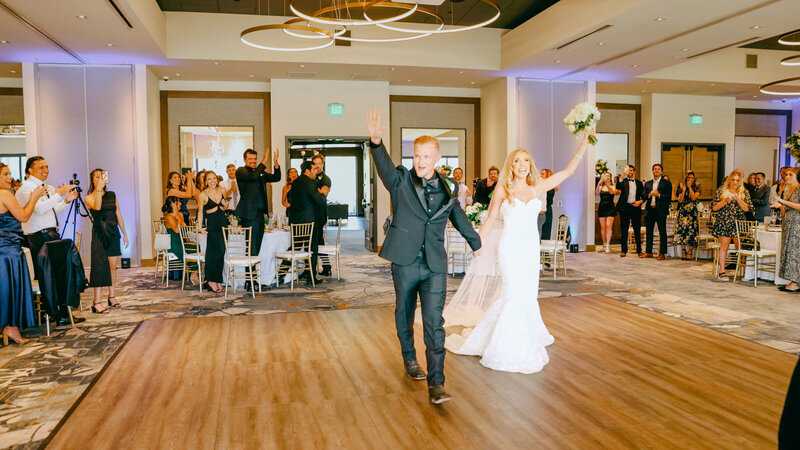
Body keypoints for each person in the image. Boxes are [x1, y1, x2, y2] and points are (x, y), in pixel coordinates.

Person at [445, 131, 592, 375]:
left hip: (530, 250)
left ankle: (526, 332)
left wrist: (583, 145)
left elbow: (567, 173)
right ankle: (508, 346)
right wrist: (477, 244)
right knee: (512, 294)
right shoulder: (503, 190)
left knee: (527, 294)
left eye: (525, 161)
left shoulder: (537, 189)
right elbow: (491, 219)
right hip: (510, 248)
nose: (521, 165)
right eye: (517, 161)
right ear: (511, 166)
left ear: (530, 165)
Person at [367, 108, 481, 405]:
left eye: (426, 157)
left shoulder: (448, 187)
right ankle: (410, 359)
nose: (420, 161)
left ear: (437, 159)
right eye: (416, 156)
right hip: (404, 261)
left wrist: (477, 244)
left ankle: (437, 384)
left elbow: (459, 218)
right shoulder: (401, 180)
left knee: (434, 323)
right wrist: (377, 143)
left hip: (434, 265)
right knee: (404, 314)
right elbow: (385, 169)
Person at [0, 162, 46, 345]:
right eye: (4, 174)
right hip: (8, 252)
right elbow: (24, 216)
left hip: (5, 250)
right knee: (10, 290)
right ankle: (11, 328)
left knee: (5, 291)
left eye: (9, 173)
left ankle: (10, 328)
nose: (9, 177)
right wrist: (34, 197)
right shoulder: (4, 194)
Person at [235, 148, 281, 291]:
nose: (253, 161)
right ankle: (251, 281)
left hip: (259, 214)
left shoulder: (259, 172)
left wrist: (276, 164)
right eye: (250, 159)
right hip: (249, 215)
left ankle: (251, 281)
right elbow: (252, 177)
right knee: (252, 248)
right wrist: (263, 162)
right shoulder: (241, 171)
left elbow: (276, 178)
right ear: (245, 160)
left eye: (255, 159)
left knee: (255, 248)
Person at [85, 169, 129, 313]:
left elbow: (118, 214)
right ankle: (96, 301)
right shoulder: (89, 197)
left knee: (112, 266)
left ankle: (112, 296)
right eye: (97, 177)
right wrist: (98, 190)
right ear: (92, 180)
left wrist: (124, 233)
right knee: (100, 266)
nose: (100, 179)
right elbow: (97, 207)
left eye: (101, 176)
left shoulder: (112, 195)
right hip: (100, 233)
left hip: (113, 232)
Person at [288, 161, 327, 285]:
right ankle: (311, 278)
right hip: (309, 222)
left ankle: (281, 273)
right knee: (312, 249)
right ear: (307, 171)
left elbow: (290, 198)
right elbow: (319, 201)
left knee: (295, 247)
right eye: (314, 169)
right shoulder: (310, 183)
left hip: (296, 221)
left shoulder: (295, 182)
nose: (316, 172)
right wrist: (323, 193)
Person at [711, 169, 753, 281]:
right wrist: (725, 201)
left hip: (739, 223)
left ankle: (744, 272)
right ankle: (722, 271)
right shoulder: (721, 190)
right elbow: (714, 207)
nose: (735, 182)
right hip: (724, 222)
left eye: (737, 180)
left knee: (741, 247)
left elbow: (747, 209)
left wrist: (738, 199)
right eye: (733, 180)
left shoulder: (744, 192)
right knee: (723, 247)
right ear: (729, 180)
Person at [197, 171, 228, 293]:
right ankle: (210, 280)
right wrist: (200, 227)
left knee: (221, 254)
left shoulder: (222, 190)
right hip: (212, 225)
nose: (212, 181)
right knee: (212, 254)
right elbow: (200, 212)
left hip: (223, 223)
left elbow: (225, 207)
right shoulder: (203, 194)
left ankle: (218, 279)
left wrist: (225, 205)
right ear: (205, 181)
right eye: (209, 179)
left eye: (214, 178)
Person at [770, 167, 800, 292]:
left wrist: (783, 202)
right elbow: (785, 208)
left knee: (795, 252)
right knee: (789, 251)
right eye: (786, 174)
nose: (786, 177)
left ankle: (796, 282)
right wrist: (780, 205)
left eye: (790, 175)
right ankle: (793, 280)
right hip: (788, 223)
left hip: (797, 224)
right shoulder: (788, 189)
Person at [641, 163, 672, 260]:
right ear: (652, 171)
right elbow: (643, 196)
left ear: (661, 171)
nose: (656, 170)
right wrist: (650, 194)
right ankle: (648, 252)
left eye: (658, 169)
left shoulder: (666, 183)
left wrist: (658, 195)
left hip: (660, 210)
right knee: (649, 231)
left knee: (662, 232)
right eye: (655, 169)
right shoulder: (648, 183)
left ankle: (662, 253)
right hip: (650, 210)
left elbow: (668, 197)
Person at [615, 165, 644, 257]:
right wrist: (622, 175)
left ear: (634, 172)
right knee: (624, 230)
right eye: (628, 170)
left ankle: (639, 250)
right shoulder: (623, 181)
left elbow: (643, 195)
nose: (630, 172)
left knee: (637, 229)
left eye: (631, 170)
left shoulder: (639, 183)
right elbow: (618, 186)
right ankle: (624, 250)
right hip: (625, 207)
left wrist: (640, 202)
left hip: (635, 207)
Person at [312, 154, 332, 277]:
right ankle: (322, 267)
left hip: (319, 214)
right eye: (315, 164)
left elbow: (320, 195)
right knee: (313, 243)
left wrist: (314, 192)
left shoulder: (326, 179)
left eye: (320, 163)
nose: (318, 166)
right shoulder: (311, 177)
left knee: (319, 242)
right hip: (310, 213)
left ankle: (325, 267)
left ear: (323, 164)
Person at [675, 171, 700, 260]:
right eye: (688, 178)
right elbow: (680, 200)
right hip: (683, 212)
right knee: (682, 231)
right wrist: (684, 190)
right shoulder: (681, 186)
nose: (690, 179)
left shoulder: (697, 187)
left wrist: (689, 188)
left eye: (692, 178)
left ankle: (690, 251)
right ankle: (683, 251)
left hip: (692, 213)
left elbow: (693, 198)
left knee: (692, 232)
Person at [161, 196, 186, 281]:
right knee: (192, 250)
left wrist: (181, 219)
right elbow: (177, 230)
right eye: (178, 202)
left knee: (197, 248)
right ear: (173, 204)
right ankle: (193, 274)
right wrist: (178, 220)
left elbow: (185, 227)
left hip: (181, 241)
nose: (180, 203)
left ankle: (193, 273)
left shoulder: (180, 214)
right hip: (174, 243)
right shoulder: (169, 217)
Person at [596, 171, 617, 253]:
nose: (607, 177)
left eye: (608, 176)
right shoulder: (601, 186)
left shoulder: (613, 185)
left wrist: (607, 184)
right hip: (602, 207)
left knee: (608, 225)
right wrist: (599, 183)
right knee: (603, 227)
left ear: (610, 177)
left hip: (610, 207)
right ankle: (604, 243)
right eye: (605, 176)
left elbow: (612, 192)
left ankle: (608, 244)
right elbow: (597, 192)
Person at [539, 169, 557, 240]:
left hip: (546, 210)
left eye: (542, 174)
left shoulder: (549, 189)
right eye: (540, 173)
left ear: (548, 176)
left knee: (545, 231)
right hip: (542, 209)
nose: (540, 176)